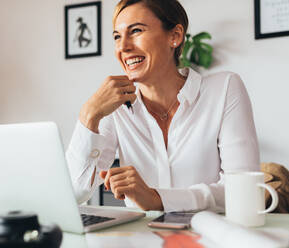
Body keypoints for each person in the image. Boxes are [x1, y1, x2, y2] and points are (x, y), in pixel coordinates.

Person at [65, 0, 259, 212]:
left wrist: (158, 199)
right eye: (117, 37)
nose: (123, 47)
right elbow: (74, 192)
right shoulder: (116, 107)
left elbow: (245, 191)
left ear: (175, 36)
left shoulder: (224, 88)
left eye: (136, 30)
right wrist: (88, 115)